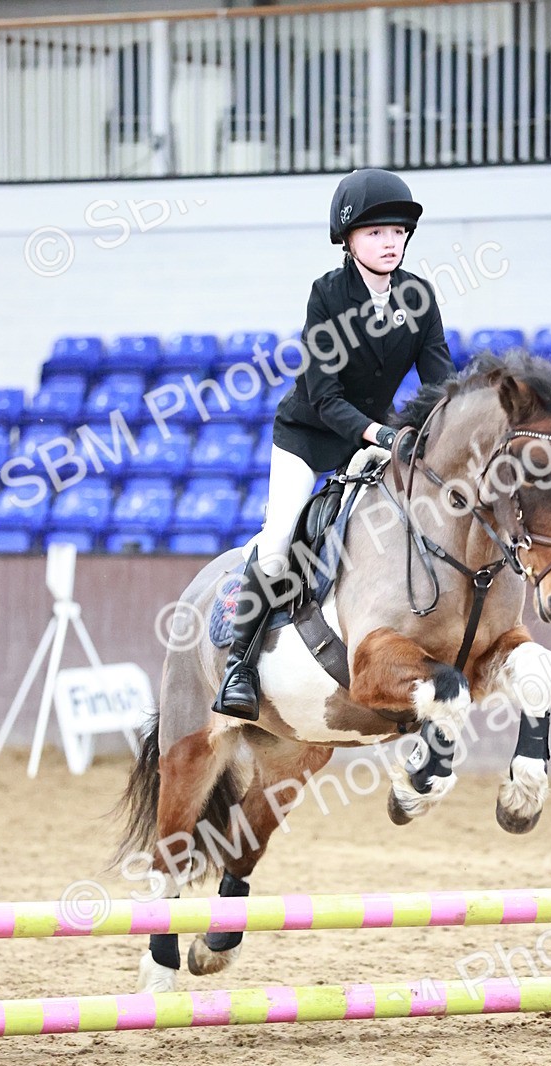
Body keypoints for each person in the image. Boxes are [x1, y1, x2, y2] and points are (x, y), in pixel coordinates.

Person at [212, 167, 454, 721]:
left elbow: (440, 381)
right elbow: (324, 395)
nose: (390, 242)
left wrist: (441, 430)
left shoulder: (418, 296)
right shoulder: (327, 294)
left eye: (397, 232)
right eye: (375, 233)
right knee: (279, 544)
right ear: (349, 239)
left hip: (372, 437)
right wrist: (385, 435)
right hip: (311, 434)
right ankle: (240, 666)